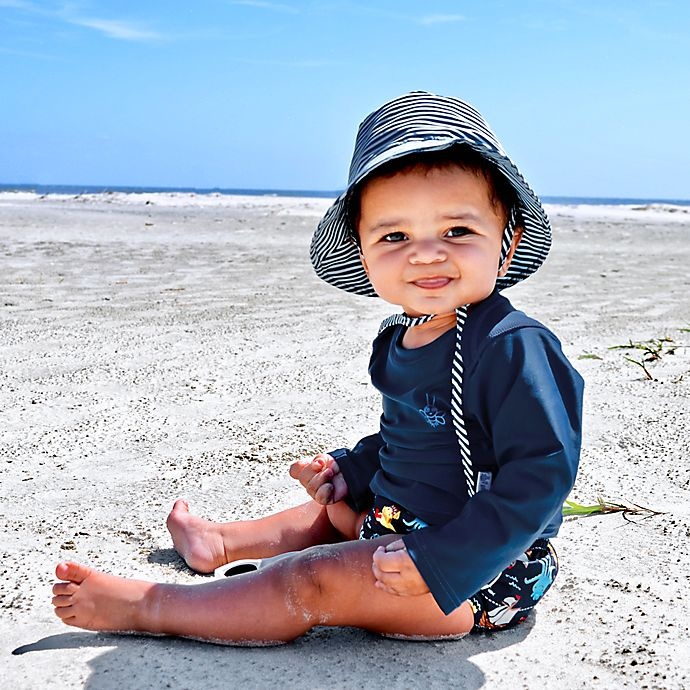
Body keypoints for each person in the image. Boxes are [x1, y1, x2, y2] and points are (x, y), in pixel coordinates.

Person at [52, 91, 583, 643]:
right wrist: (351, 469)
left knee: (310, 580)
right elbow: (416, 435)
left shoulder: (510, 345)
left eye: (457, 231)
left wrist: (446, 558)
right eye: (395, 236)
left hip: (480, 569)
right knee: (329, 514)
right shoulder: (402, 338)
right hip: (396, 523)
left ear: (507, 240)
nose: (426, 253)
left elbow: (540, 475)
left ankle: (155, 607)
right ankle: (222, 542)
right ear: (363, 249)